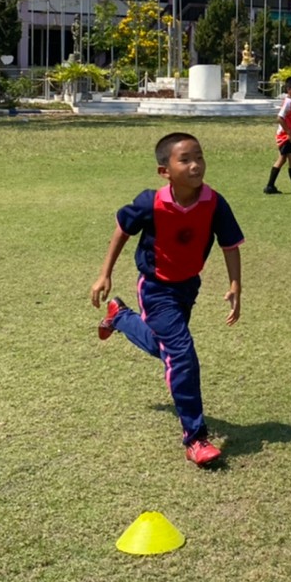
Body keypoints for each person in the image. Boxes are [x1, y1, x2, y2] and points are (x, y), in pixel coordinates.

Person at [91, 133, 243, 467]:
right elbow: (122, 230)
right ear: (165, 171)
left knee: (166, 349)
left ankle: (120, 316)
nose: (195, 165)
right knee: (182, 355)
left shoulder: (214, 202)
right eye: (185, 160)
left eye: (199, 157)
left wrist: (235, 285)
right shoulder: (150, 203)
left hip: (188, 286)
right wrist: (105, 273)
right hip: (155, 288)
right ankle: (196, 438)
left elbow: (229, 244)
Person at [265, 77, 291, 196]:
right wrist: (289, 133)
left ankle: (270, 186)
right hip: (285, 137)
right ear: (289, 89)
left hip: (288, 136)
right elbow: (280, 118)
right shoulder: (288, 102)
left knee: (283, 159)